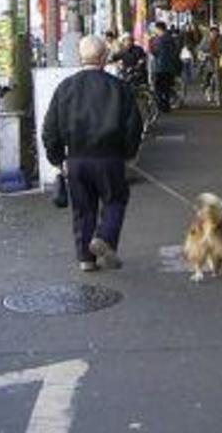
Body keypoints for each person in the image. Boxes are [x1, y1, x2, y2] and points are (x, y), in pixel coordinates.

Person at [42, 35, 143, 272]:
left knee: (82, 209)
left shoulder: (66, 87)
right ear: (104, 57)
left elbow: (50, 129)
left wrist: (57, 159)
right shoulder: (119, 87)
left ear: (80, 57)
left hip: (76, 158)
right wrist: (128, 154)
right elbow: (134, 126)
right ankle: (105, 237)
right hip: (110, 157)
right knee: (116, 199)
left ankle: (85, 258)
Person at [149, 21, 179, 112]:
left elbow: (154, 52)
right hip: (169, 67)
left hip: (159, 67)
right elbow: (175, 50)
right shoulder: (171, 38)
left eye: (155, 29)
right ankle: (166, 105)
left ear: (158, 29)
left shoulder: (158, 40)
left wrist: (150, 45)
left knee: (158, 88)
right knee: (166, 88)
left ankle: (162, 105)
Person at [198, 25, 222, 102]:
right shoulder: (205, 40)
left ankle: (218, 97)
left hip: (217, 62)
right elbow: (200, 51)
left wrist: (221, 53)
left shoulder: (220, 40)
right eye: (213, 32)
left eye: (216, 32)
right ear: (210, 33)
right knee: (207, 79)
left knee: (218, 80)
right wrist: (206, 55)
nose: (214, 34)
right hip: (207, 62)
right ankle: (207, 91)